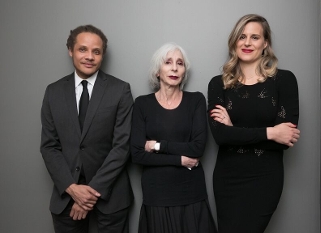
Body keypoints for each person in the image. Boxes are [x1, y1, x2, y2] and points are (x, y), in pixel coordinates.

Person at [208, 14, 300, 232]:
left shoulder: (284, 81)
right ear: (234, 42)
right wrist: (270, 132)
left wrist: (234, 130)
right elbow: (221, 136)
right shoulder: (219, 84)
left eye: (255, 37)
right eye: (242, 36)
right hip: (228, 178)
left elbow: (284, 140)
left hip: (265, 179)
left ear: (265, 43)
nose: (247, 43)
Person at [40, 25, 134, 233]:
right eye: (83, 49)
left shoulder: (120, 90)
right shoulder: (53, 92)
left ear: (102, 55)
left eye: (96, 51)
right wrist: (72, 189)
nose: (89, 56)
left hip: (111, 197)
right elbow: (49, 147)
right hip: (66, 196)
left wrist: (88, 195)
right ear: (71, 51)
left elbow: (122, 147)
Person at [131, 43, 217, 233]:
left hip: (191, 193)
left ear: (184, 71)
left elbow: (197, 149)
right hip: (157, 194)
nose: (174, 68)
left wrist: (157, 146)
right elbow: (137, 155)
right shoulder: (142, 104)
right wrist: (179, 160)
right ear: (157, 71)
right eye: (168, 62)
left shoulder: (196, 100)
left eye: (180, 63)